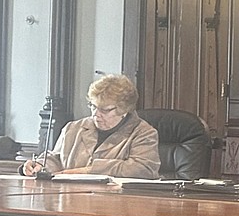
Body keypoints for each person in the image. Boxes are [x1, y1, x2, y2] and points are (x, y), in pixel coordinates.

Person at [21, 74, 160, 179]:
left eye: (104, 110)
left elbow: (143, 169)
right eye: (93, 106)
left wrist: (88, 170)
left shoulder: (143, 133)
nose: (96, 114)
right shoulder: (73, 128)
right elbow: (56, 158)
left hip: (117, 205)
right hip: (69, 202)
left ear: (124, 110)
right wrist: (39, 165)